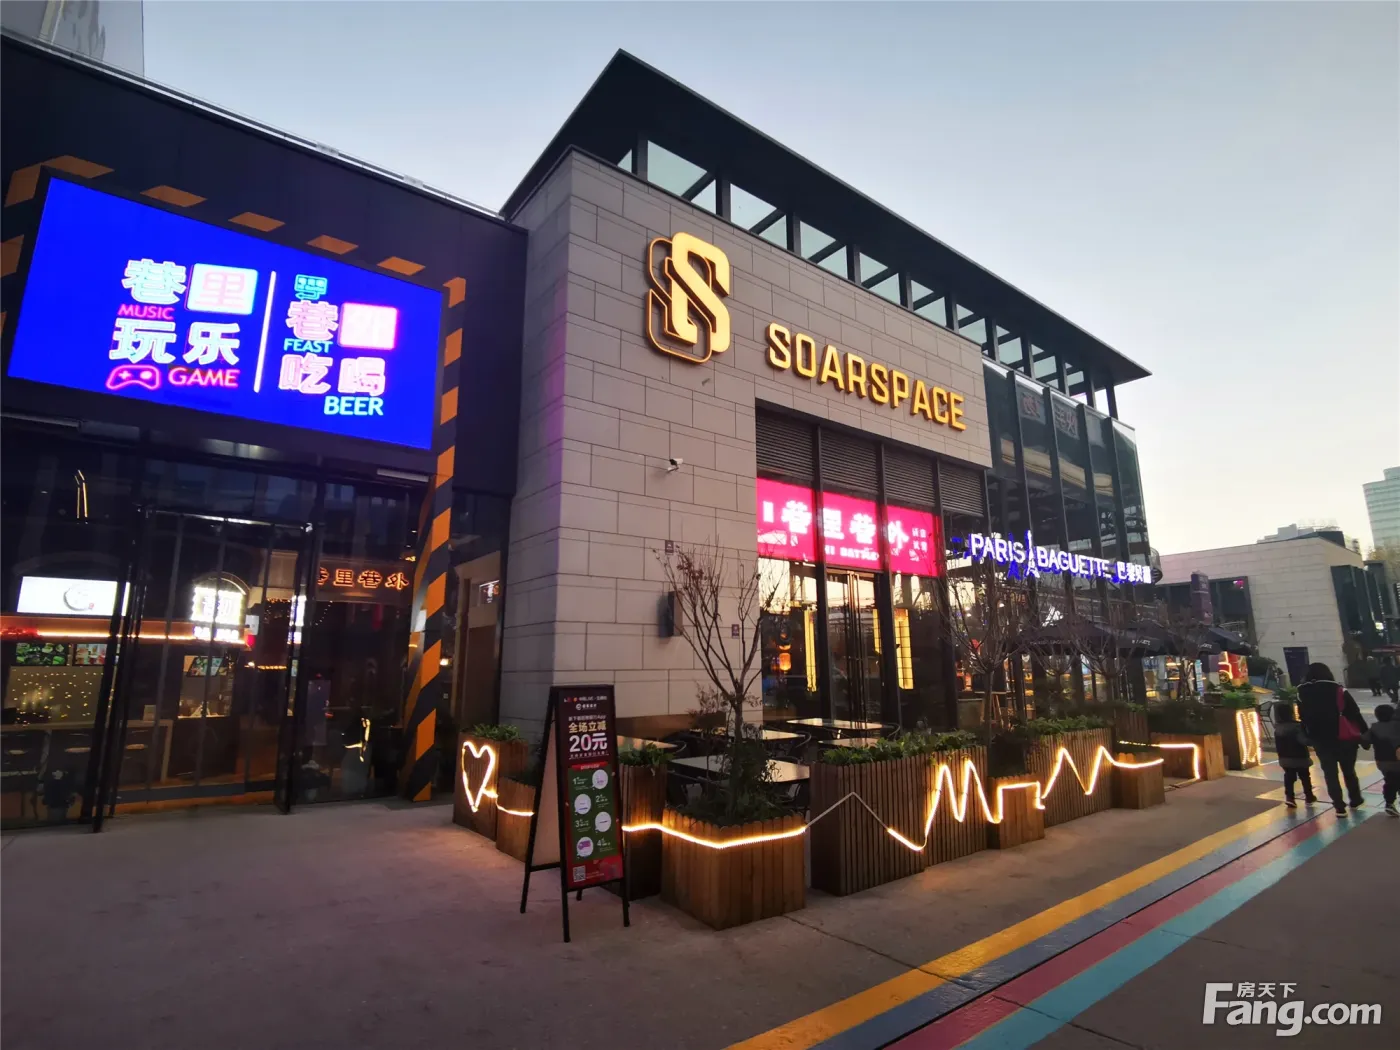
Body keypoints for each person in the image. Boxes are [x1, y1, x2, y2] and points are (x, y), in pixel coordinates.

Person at [1297, 662, 1369, 815]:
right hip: (1345, 738)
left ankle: (1339, 806)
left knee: (1330, 774)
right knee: (1349, 771)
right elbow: (1355, 713)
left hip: (1320, 740)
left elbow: (1302, 718)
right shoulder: (1338, 689)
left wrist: (1307, 736)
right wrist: (1365, 735)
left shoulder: (1302, 692)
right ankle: (1355, 799)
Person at [1272, 702, 1316, 808]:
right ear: (1291, 713)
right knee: (1305, 777)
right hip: (1300, 757)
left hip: (1284, 758)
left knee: (1289, 777)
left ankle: (1290, 798)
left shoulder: (1278, 728)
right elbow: (1303, 740)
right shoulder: (1297, 727)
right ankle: (1309, 796)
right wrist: (1312, 741)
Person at [1365, 704, 1399, 817]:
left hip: (1382, 762)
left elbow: (1364, 740)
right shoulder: (1397, 726)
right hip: (1397, 760)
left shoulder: (1374, 728)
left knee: (1390, 780)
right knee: (1396, 780)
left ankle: (1389, 803)